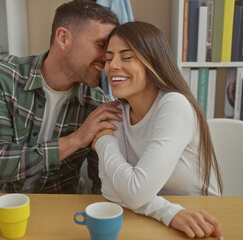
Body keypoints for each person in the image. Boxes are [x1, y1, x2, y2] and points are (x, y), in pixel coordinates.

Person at [0, 0, 122, 194]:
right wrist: (76, 139)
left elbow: (102, 185)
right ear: (63, 38)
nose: (107, 58)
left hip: (60, 207)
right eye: (101, 45)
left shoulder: (98, 105)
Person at [92, 21, 224, 239]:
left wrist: (104, 142)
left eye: (126, 57)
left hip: (200, 221)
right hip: (152, 221)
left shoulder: (174, 105)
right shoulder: (116, 111)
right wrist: (168, 212)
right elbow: (111, 190)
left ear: (152, 61)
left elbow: (134, 192)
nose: (112, 66)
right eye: (108, 58)